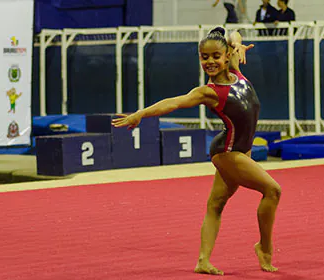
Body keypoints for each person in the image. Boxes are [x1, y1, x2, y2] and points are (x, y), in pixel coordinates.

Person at [112, 27, 282, 275]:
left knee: (216, 205)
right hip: (228, 152)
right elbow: (173, 102)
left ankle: (203, 261)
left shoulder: (235, 69)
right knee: (273, 190)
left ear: (226, 56)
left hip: (240, 151)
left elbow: (235, 31)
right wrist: (141, 114)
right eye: (204, 57)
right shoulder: (209, 92)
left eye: (215, 56)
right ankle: (264, 248)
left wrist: (236, 42)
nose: (210, 61)